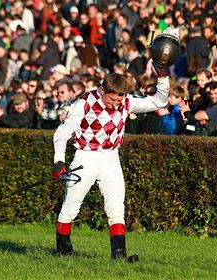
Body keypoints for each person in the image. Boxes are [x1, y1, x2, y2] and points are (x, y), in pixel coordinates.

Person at [51, 70, 169, 260]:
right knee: (71, 207)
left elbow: (159, 102)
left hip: (111, 158)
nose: (115, 104)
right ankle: (63, 251)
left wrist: (163, 77)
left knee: (116, 207)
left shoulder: (127, 101)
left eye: (119, 100)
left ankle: (119, 255)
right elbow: (62, 132)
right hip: (85, 158)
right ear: (103, 90)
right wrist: (59, 161)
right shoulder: (85, 102)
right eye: (112, 99)